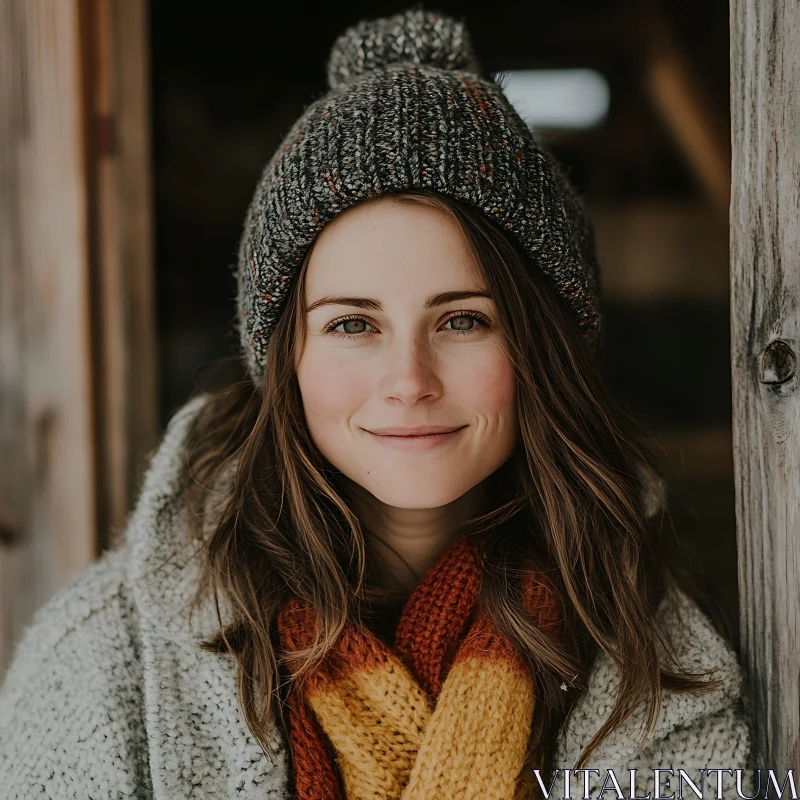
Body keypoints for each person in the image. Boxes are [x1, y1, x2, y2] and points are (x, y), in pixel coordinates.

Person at [0, 8, 753, 800]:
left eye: (462, 319)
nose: (408, 379)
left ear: (544, 349)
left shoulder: (661, 664)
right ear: (286, 359)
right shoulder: (98, 664)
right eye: (353, 324)